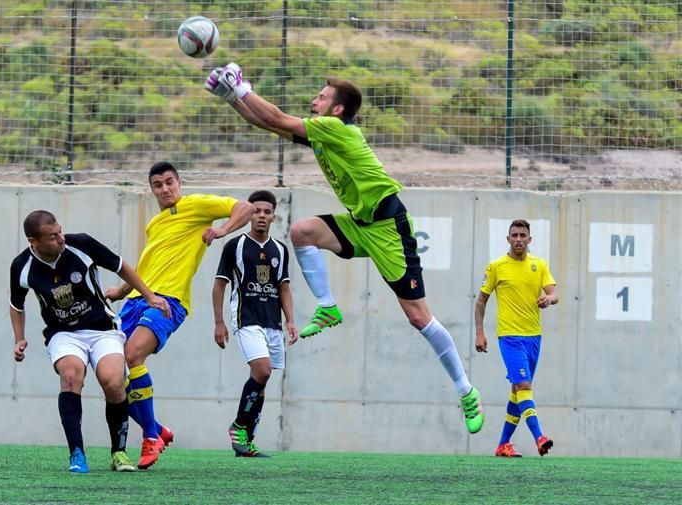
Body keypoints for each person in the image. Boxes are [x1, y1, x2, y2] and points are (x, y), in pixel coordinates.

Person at [204, 64, 485, 434]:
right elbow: (270, 124)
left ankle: (466, 390)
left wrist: (241, 87)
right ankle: (327, 306)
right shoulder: (325, 130)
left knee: (419, 317)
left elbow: (276, 116)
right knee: (303, 231)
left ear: (337, 109)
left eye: (321, 97)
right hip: (361, 222)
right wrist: (231, 98)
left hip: (389, 228)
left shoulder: (335, 129)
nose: (313, 101)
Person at [105, 161, 255, 468]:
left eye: (169, 182)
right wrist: (122, 291)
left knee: (132, 356)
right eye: (157, 185)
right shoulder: (155, 224)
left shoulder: (196, 206)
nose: (164, 189)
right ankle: (158, 430)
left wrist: (222, 229)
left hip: (168, 301)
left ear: (179, 183)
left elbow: (246, 207)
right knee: (112, 379)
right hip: (135, 301)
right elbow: (149, 264)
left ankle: (150, 437)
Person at [9, 210, 169, 473]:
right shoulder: (21, 266)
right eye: (52, 236)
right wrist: (19, 338)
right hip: (64, 334)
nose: (60, 238)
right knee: (71, 377)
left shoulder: (81, 244)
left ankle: (119, 453)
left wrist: (149, 296)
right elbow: (16, 305)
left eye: (60, 231)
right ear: (32, 241)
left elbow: (122, 267)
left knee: (113, 381)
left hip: (102, 329)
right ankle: (77, 454)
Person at [212, 190, 298, 457]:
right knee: (262, 371)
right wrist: (219, 322)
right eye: (256, 211)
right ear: (249, 214)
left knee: (260, 382)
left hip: (272, 322)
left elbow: (283, 288)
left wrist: (291, 321)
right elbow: (219, 286)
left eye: (267, 212)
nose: (261, 215)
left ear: (274, 216)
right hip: (245, 319)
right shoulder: (235, 246)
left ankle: (246, 442)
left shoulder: (280, 250)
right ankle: (238, 426)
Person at [474, 219, 558, 457]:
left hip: (534, 337)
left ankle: (503, 444)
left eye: (523, 235)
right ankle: (539, 437)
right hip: (509, 337)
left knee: (517, 391)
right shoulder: (496, 267)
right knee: (524, 385)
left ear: (530, 239)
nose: (519, 239)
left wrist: (548, 299)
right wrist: (480, 332)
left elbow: (554, 293)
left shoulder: (539, 265)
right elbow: (481, 301)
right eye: (515, 235)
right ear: (508, 239)